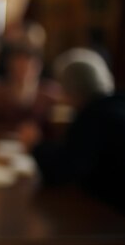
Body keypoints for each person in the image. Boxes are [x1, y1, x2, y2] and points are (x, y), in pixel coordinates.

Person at [24, 48, 125, 214]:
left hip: (112, 219)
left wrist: (35, 145)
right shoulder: (116, 104)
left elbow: (62, 172)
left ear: (71, 88)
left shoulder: (94, 117)